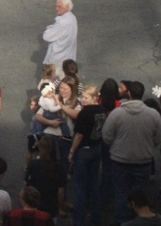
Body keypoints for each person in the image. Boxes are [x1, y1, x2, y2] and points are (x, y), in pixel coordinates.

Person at [101, 81, 161, 224]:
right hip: (143, 161)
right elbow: (158, 138)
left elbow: (106, 136)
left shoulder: (117, 113)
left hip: (119, 161)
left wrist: (116, 146)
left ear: (128, 93)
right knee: (141, 195)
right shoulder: (153, 114)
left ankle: (122, 221)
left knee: (121, 193)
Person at [69, 85, 105, 226]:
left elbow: (79, 135)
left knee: (80, 186)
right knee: (93, 183)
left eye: (86, 98)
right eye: (82, 97)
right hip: (96, 147)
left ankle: (78, 219)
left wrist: (72, 152)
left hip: (84, 150)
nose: (83, 100)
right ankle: (96, 216)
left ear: (94, 98)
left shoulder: (85, 113)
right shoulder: (101, 110)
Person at [42, 0, 77, 69]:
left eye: (59, 7)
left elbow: (47, 36)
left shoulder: (62, 22)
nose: (56, 9)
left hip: (57, 60)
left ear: (67, 7)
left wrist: (49, 28)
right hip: (67, 57)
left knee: (50, 79)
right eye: (56, 6)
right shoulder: (72, 18)